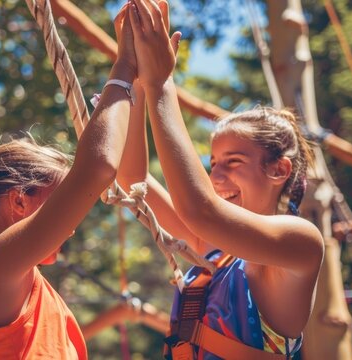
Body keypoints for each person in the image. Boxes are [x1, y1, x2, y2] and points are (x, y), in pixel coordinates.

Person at [0, 5, 140, 358]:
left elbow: (119, 170)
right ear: (19, 200)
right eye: (58, 201)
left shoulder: (21, 279)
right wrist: (125, 64)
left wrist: (142, 80)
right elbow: (99, 166)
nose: (70, 227)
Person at [117, 0, 324, 358]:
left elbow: (202, 210)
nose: (216, 174)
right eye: (213, 162)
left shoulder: (300, 244)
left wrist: (161, 82)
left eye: (233, 161)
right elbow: (133, 180)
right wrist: (136, 79)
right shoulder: (210, 247)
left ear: (278, 169)